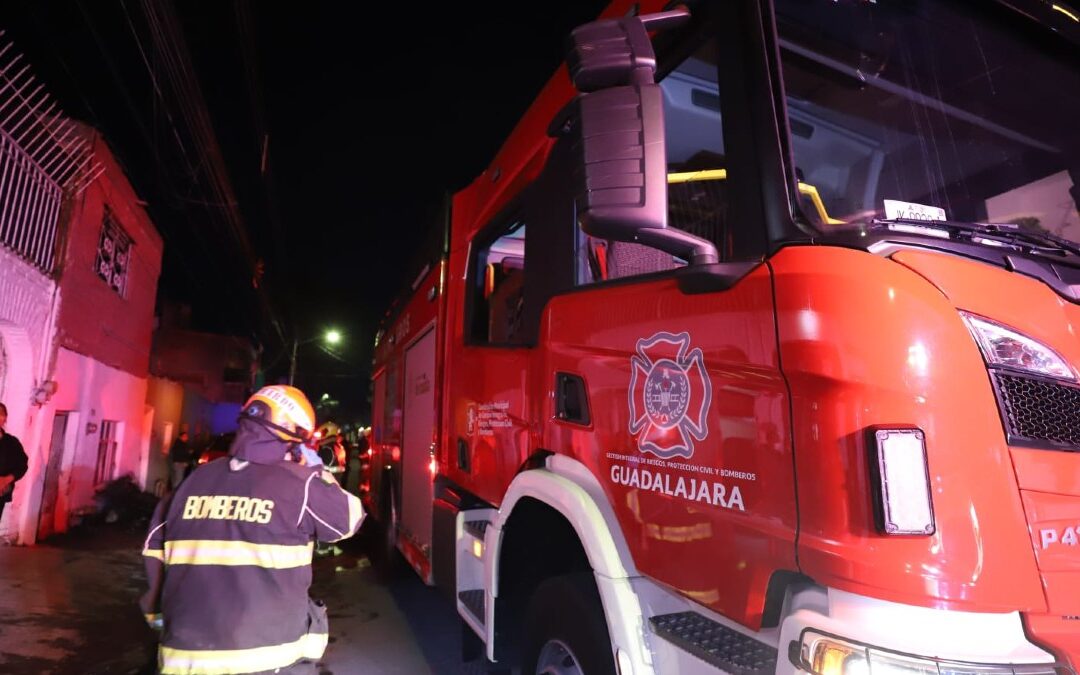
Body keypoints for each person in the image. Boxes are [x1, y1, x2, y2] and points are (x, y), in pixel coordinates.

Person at [140, 385, 364, 674]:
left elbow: (153, 550)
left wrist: (161, 618)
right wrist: (318, 472)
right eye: (300, 440)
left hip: (183, 655)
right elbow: (349, 520)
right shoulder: (301, 483)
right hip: (267, 657)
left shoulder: (193, 481)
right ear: (287, 429)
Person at [0, 402, 28, 526]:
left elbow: (22, 465)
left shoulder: (12, 443)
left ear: (5, 418)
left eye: (0, 414)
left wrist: (7, 479)